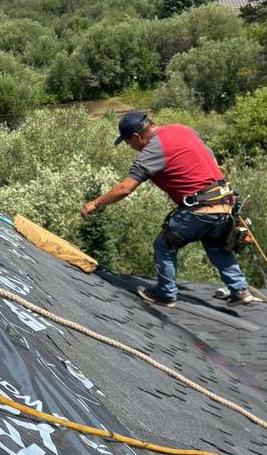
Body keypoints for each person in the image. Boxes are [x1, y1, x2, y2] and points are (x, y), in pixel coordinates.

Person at [80, 111, 253, 308]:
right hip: (225, 203)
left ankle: (166, 294)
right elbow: (212, 160)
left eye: (129, 142)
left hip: (201, 208)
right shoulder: (182, 129)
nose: (131, 147)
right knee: (214, 244)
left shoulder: (152, 151)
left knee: (164, 245)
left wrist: (95, 203)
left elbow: (125, 188)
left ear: (136, 136)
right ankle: (239, 289)